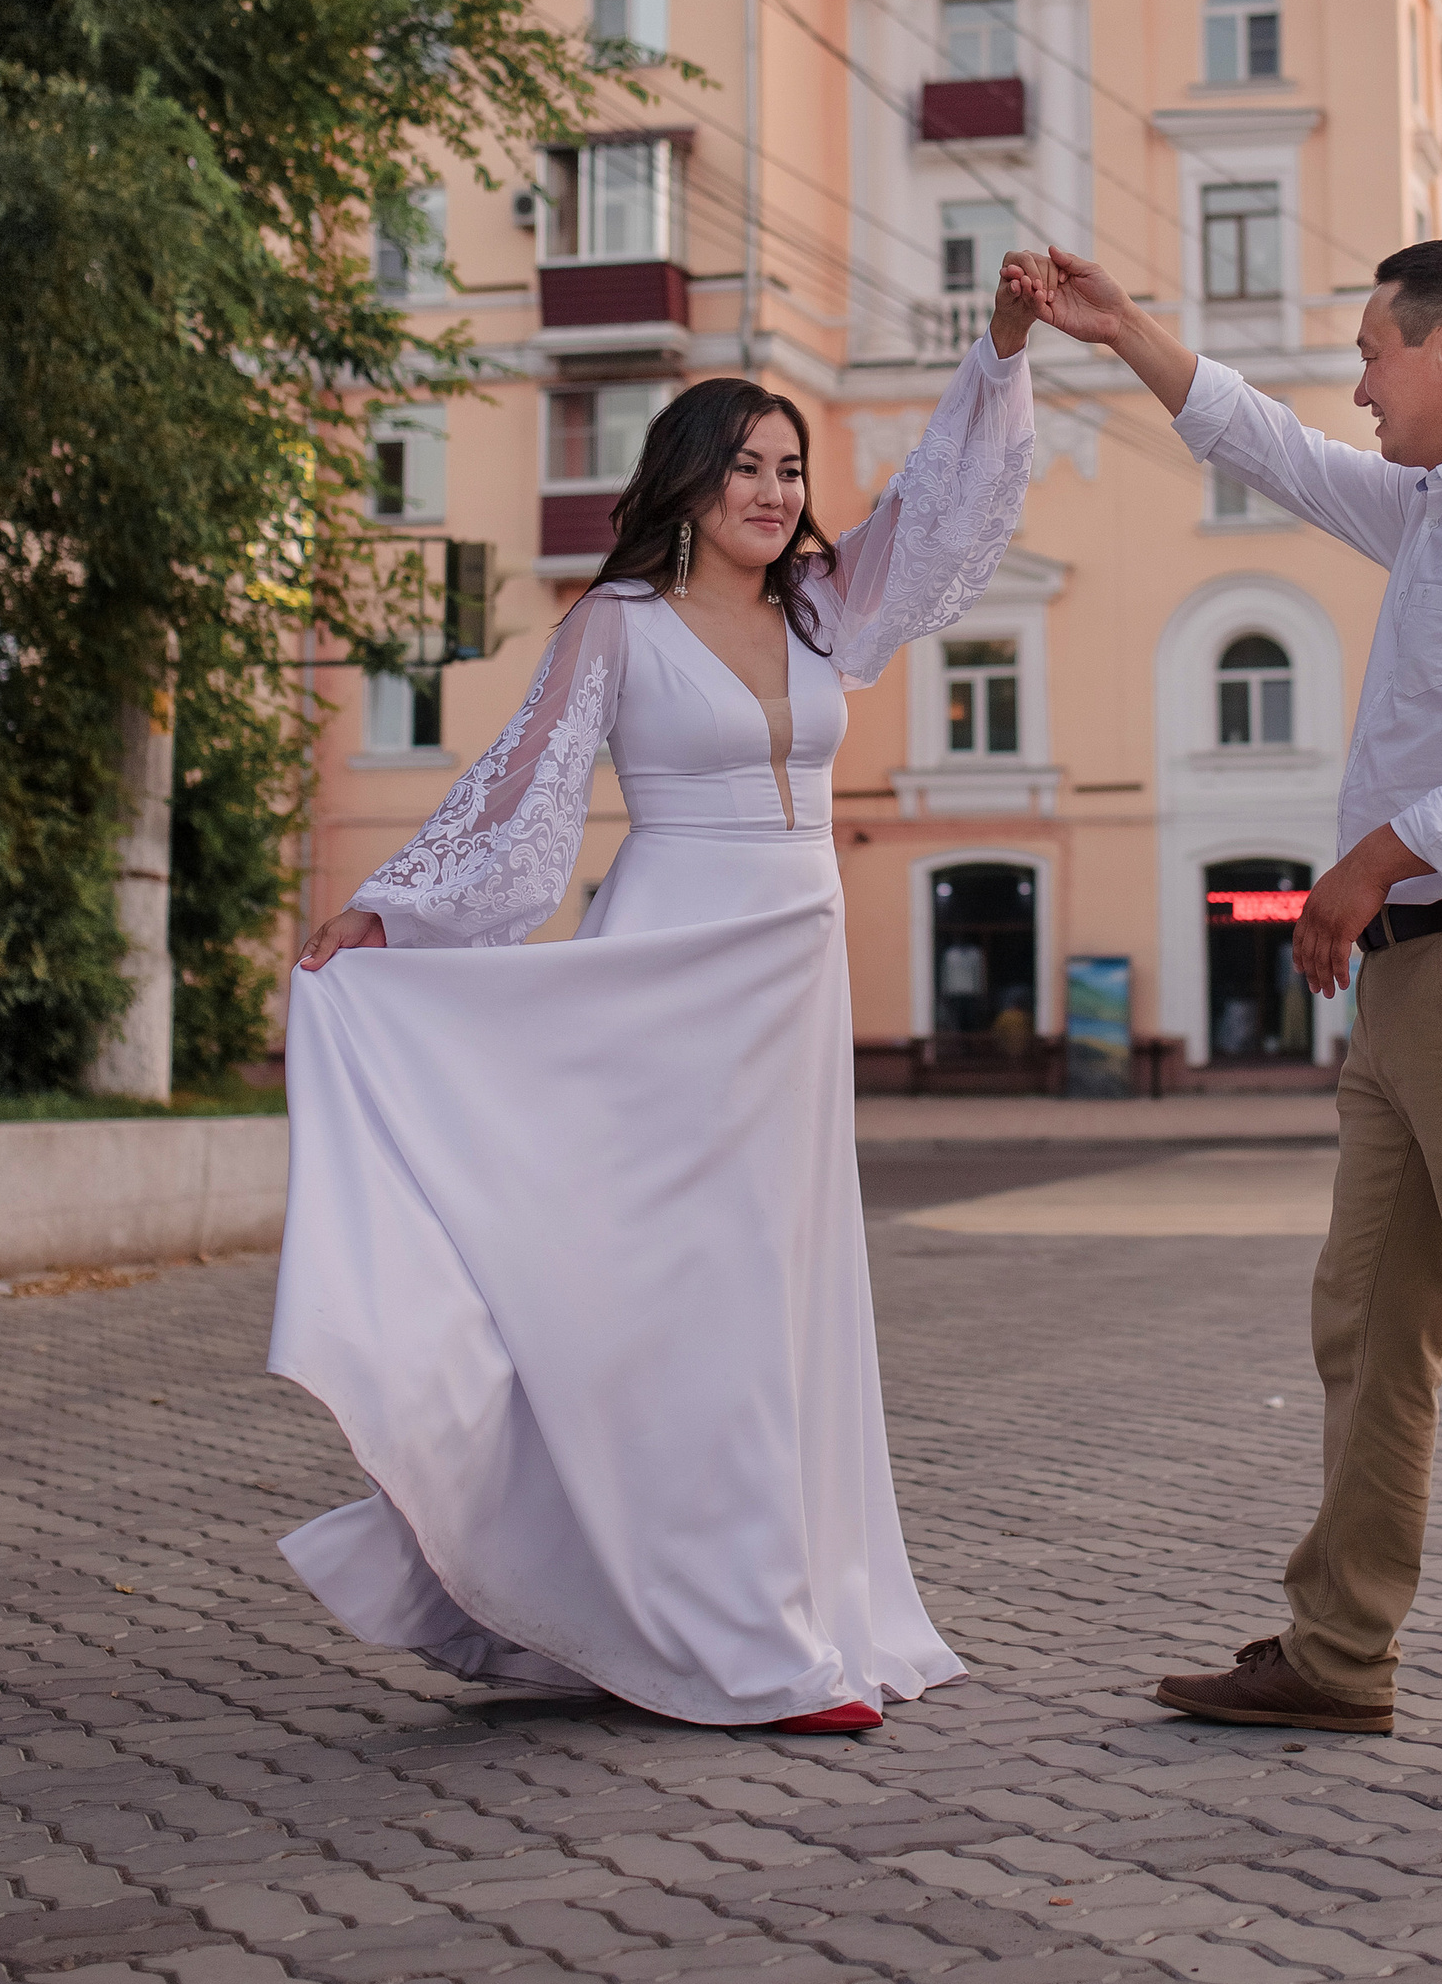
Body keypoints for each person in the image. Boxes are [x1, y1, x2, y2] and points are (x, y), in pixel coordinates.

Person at [268, 260, 1041, 1735]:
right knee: (684, 1289)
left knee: (781, 1288)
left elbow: (945, 508)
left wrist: (1000, 347)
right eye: (744, 463)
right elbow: (527, 800)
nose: (772, 486)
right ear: (687, 480)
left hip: (793, 983)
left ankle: (768, 1605)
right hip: (668, 972)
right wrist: (395, 907)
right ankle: (745, 1638)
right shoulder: (616, 620)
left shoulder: (827, 609)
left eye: (791, 464)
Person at [1025, 234, 1442, 1787]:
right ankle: (1339, 1654)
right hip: (1413, 982)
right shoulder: (1440, 504)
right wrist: (1129, 325)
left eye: (1377, 352)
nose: (1360, 380)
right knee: (1369, 1330)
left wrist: (1368, 861)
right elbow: (1275, 444)